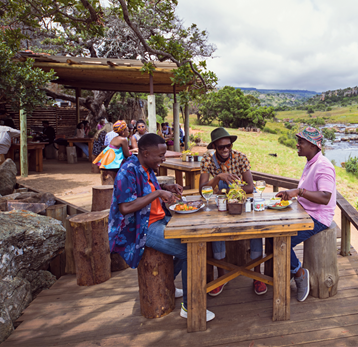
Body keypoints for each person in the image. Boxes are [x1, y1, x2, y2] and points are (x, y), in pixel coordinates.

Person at [108, 133, 215, 321]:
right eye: (160, 156)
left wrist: (169, 188)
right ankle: (190, 308)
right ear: (145, 152)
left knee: (196, 238)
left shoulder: (146, 167)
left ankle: (167, 282)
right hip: (141, 228)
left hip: (159, 219)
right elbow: (125, 207)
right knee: (190, 251)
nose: (163, 159)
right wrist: (158, 192)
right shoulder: (128, 171)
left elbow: (148, 190)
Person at [198, 127, 267, 296]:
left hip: (241, 203)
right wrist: (218, 178)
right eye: (221, 147)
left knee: (257, 229)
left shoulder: (240, 158)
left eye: (228, 145)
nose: (225, 149)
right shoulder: (207, 159)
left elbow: (250, 187)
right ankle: (221, 277)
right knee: (216, 232)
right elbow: (202, 190)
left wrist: (235, 188)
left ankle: (257, 275)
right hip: (220, 206)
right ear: (214, 146)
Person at [276, 126, 336, 302]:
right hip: (304, 211)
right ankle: (287, 270)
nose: (297, 145)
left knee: (282, 242)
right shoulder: (311, 162)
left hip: (317, 217)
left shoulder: (323, 166)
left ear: (312, 145)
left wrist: (298, 192)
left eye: (301, 142)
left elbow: (325, 197)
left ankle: (299, 273)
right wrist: (292, 194)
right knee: (275, 232)